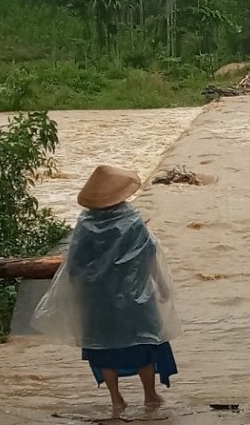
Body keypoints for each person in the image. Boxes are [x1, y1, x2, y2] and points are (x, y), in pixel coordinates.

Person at [31, 165, 182, 417]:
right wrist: (162, 287)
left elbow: (75, 265)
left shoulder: (85, 223)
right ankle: (150, 395)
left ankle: (116, 400)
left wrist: (78, 296)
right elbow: (149, 255)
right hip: (135, 297)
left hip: (97, 299)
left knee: (104, 349)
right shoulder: (132, 220)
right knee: (144, 343)